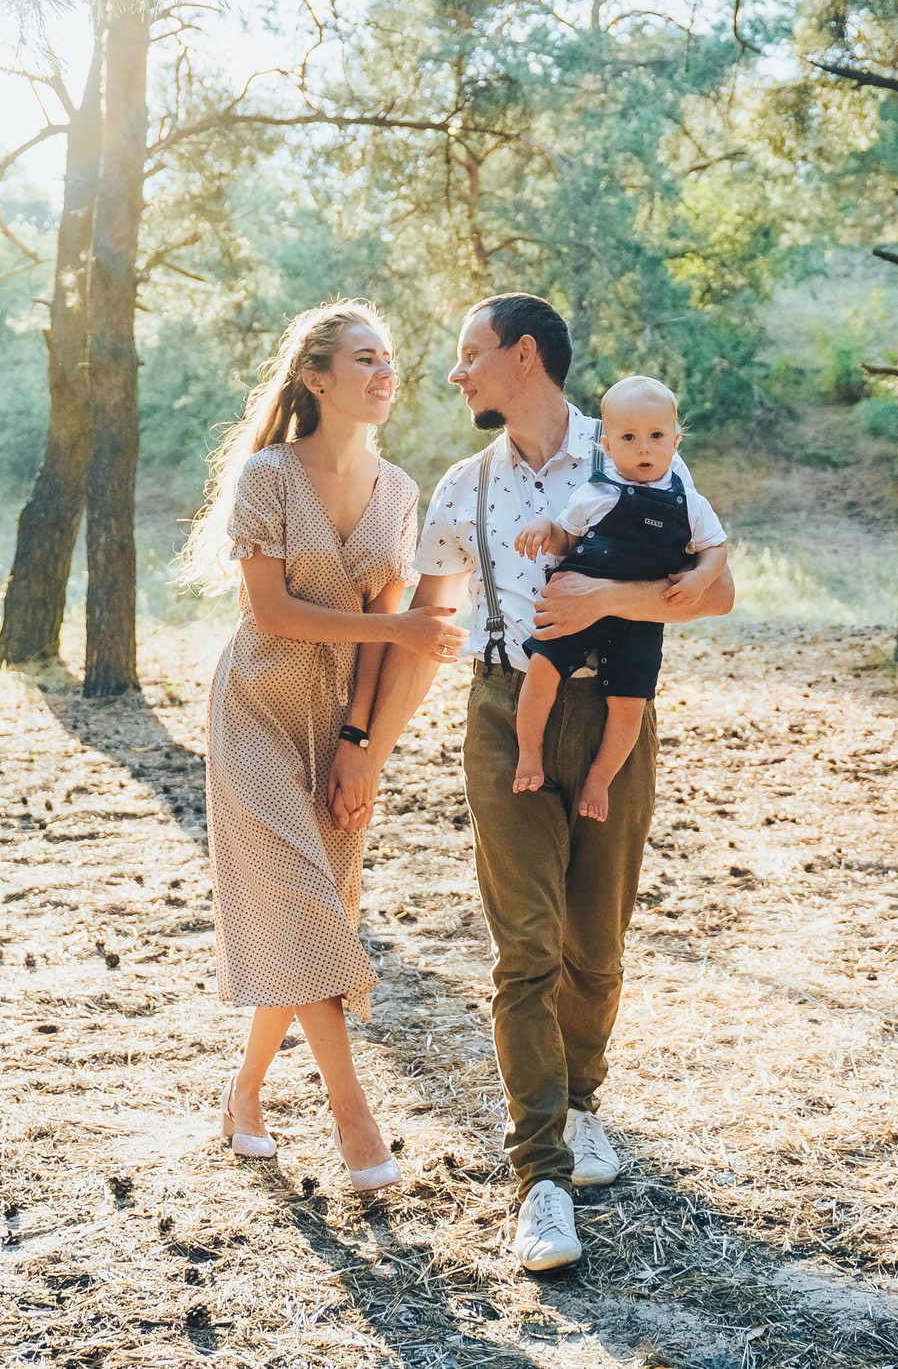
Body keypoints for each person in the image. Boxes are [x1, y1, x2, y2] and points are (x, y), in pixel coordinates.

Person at [345, 295, 737, 1272]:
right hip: (499, 713)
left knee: (593, 949)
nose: (455, 373)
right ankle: (540, 1176)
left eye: (469, 354)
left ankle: (585, 1100)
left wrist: (607, 595)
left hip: (613, 712)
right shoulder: (460, 490)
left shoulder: (635, 457)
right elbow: (428, 631)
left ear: (524, 358)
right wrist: (364, 744)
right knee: (523, 954)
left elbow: (715, 589)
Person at [173, 301, 463, 1194]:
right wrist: (407, 626)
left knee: (310, 913)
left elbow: (386, 639)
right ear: (316, 378)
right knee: (304, 901)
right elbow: (275, 613)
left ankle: (244, 1092)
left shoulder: (402, 491)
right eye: (365, 359)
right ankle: (354, 1118)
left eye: (390, 360)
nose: (385, 375)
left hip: (338, 719)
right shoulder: (269, 474)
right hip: (256, 707)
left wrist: (360, 744)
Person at [509, 376, 728, 819]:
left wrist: (701, 579)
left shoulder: (690, 501)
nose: (644, 448)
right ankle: (529, 754)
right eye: (629, 438)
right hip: (574, 603)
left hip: (640, 617)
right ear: (608, 446)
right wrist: (542, 530)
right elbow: (565, 538)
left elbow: (715, 548)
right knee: (542, 670)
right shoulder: (595, 492)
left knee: (630, 702)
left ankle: (600, 779)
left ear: (675, 441)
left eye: (656, 437)